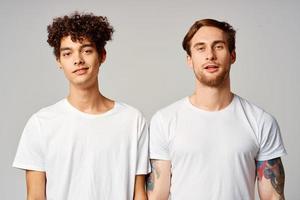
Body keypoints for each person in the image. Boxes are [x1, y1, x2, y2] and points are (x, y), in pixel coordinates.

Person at [13, 12, 150, 200]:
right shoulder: (41, 124)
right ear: (58, 61)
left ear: (102, 55)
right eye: (67, 53)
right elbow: (35, 197)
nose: (78, 60)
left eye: (86, 50)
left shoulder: (132, 121)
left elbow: (139, 194)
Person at [146, 19, 287, 200]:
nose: (210, 55)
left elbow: (274, 197)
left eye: (218, 46)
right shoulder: (164, 120)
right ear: (189, 60)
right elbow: (156, 196)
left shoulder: (261, 121)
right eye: (200, 48)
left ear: (232, 55)